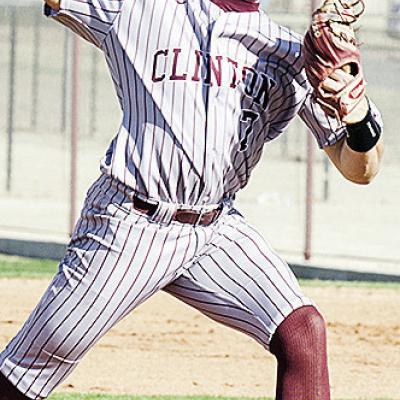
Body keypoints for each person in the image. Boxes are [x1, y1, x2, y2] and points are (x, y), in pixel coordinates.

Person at [0, 0, 383, 399]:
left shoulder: (288, 54)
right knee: (25, 372)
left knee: (303, 331)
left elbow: (361, 168)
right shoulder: (138, 9)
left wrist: (358, 120)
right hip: (130, 223)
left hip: (216, 230)